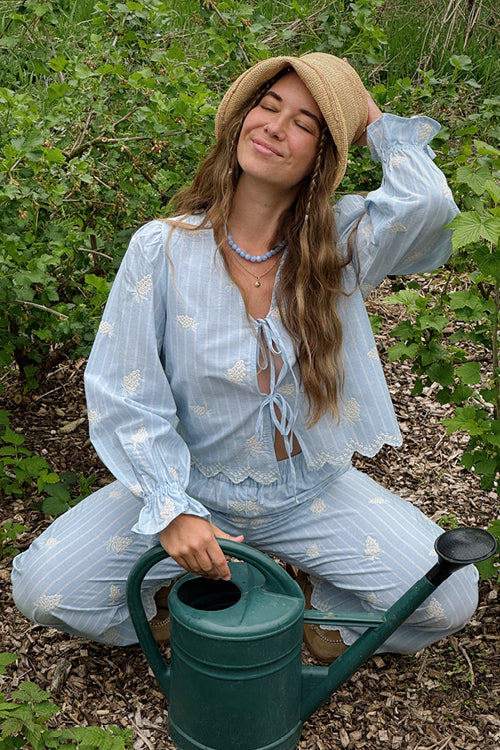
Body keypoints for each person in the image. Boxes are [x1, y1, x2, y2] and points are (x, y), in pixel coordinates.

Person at [12, 53, 478, 661]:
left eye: (305, 124)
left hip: (308, 492)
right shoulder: (162, 249)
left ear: (322, 156)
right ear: (240, 120)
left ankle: (326, 618)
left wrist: (366, 119)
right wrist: (172, 510)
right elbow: (125, 392)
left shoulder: (339, 243)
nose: (276, 128)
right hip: (193, 485)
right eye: (268, 106)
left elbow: (428, 205)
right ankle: (177, 600)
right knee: (44, 589)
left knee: (450, 598)